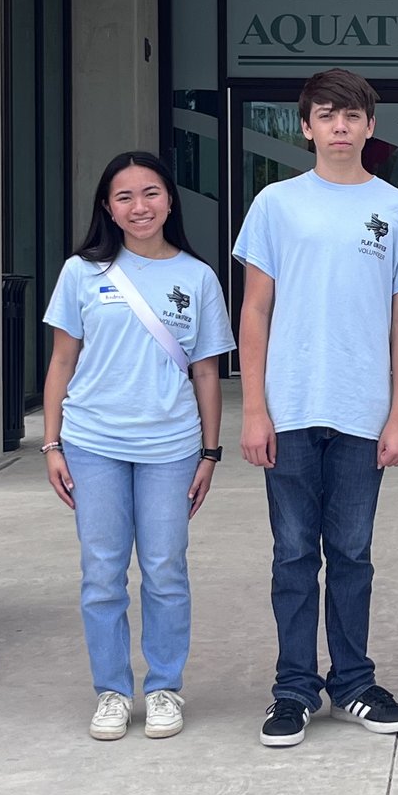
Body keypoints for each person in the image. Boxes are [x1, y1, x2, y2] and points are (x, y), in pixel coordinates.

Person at [235, 68, 398, 748]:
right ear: (306, 126)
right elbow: (255, 309)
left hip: (362, 409)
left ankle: (352, 680)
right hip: (289, 407)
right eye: (327, 115)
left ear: (371, 125)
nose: (340, 127)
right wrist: (254, 409)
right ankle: (294, 687)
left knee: (351, 551)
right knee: (293, 552)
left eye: (352, 115)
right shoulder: (275, 203)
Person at [42, 151, 231, 742]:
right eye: (124, 197)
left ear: (170, 201)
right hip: (93, 441)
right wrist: (51, 444)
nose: (139, 207)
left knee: (165, 569)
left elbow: (206, 372)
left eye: (150, 193)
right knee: (101, 572)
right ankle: (112, 691)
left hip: (170, 447)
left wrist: (209, 453)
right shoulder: (82, 273)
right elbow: (62, 361)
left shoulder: (197, 278)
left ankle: (165, 687)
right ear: (107, 207)